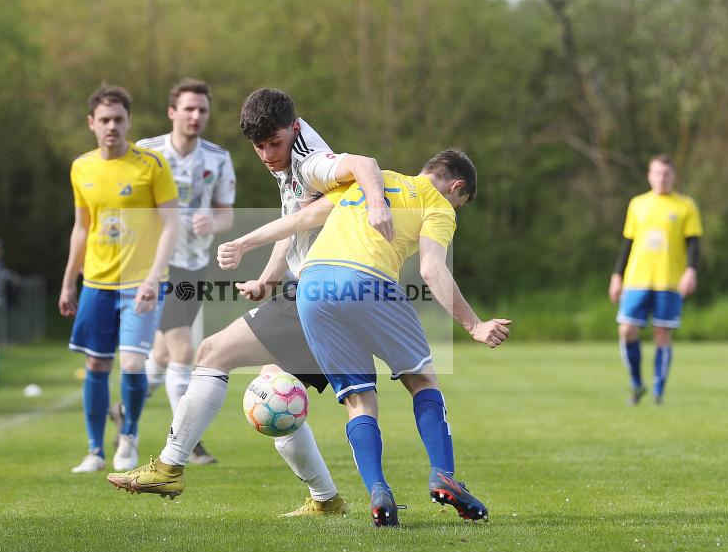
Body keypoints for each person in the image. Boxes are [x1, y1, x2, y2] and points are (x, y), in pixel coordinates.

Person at [107, 88, 394, 517]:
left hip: (321, 288)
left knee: (212, 353)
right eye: (258, 147)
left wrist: (377, 202)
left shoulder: (311, 160)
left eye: (273, 143)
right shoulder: (289, 152)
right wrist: (267, 279)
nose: (266, 154)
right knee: (275, 388)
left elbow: (362, 167)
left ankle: (170, 464)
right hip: (329, 284)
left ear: (293, 130)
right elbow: (298, 222)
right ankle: (326, 500)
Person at [217, 149, 511, 526]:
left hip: (312, 288)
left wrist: (243, 244)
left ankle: (378, 492)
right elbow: (431, 268)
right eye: (461, 201)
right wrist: (474, 325)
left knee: (358, 398)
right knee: (422, 381)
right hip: (368, 282)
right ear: (456, 187)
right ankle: (444, 475)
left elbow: (302, 218)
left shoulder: (372, 180)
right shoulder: (438, 204)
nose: (456, 207)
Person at [59, 85, 179, 474]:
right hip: (96, 283)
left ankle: (128, 435)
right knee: (96, 365)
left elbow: (170, 225)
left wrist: (152, 278)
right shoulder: (81, 167)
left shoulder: (152, 165)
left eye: (119, 119)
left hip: (140, 284)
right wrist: (68, 282)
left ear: (129, 122)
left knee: (130, 363)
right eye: (105, 120)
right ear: (92, 123)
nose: (112, 126)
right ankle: (94, 451)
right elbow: (81, 227)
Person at [136, 78, 236, 465]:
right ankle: (187, 441)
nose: (196, 116)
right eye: (189, 109)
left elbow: (227, 214)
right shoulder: (146, 153)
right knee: (182, 348)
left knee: (161, 354)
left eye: (202, 110)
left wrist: (212, 222)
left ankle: (124, 412)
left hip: (194, 265)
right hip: (153, 266)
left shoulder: (217, 158)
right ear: (172, 112)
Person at [608, 154, 702, 406]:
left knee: (662, 333)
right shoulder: (637, 204)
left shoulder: (685, 206)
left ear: (674, 176)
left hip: (668, 281)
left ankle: (659, 391)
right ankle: (637, 384)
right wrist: (617, 275)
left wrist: (691, 270)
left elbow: (693, 242)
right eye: (657, 173)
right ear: (650, 175)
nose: (662, 178)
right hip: (636, 279)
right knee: (626, 330)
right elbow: (627, 242)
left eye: (667, 173)